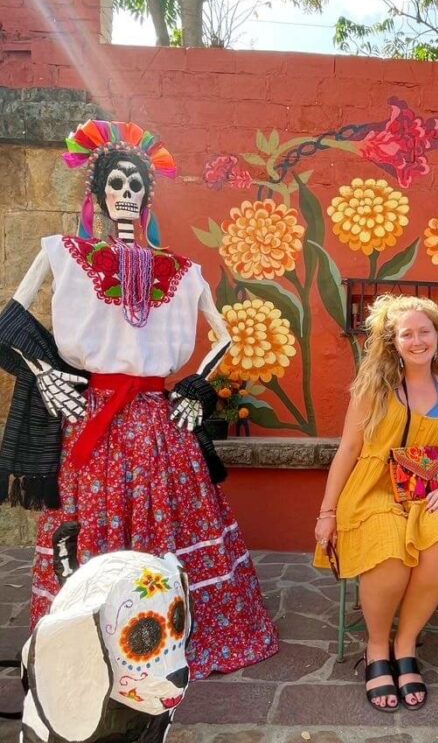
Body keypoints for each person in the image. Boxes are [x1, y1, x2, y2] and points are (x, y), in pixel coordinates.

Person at [0, 119, 278, 681]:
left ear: (147, 197)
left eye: (135, 186)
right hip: (90, 421)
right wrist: (45, 373)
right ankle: (89, 644)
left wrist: (197, 386)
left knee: (167, 525)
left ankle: (164, 637)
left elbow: (223, 337)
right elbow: (8, 320)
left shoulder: (182, 271)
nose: (125, 194)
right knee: (88, 526)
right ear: (98, 193)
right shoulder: (62, 254)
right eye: (116, 184)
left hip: (158, 424)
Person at [314, 295, 438, 711]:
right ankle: (377, 647)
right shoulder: (373, 390)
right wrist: (327, 512)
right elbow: (347, 450)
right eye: (407, 334)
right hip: (372, 488)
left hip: (430, 491)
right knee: (389, 552)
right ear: (393, 342)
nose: (417, 340)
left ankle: (406, 645)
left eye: (425, 331)